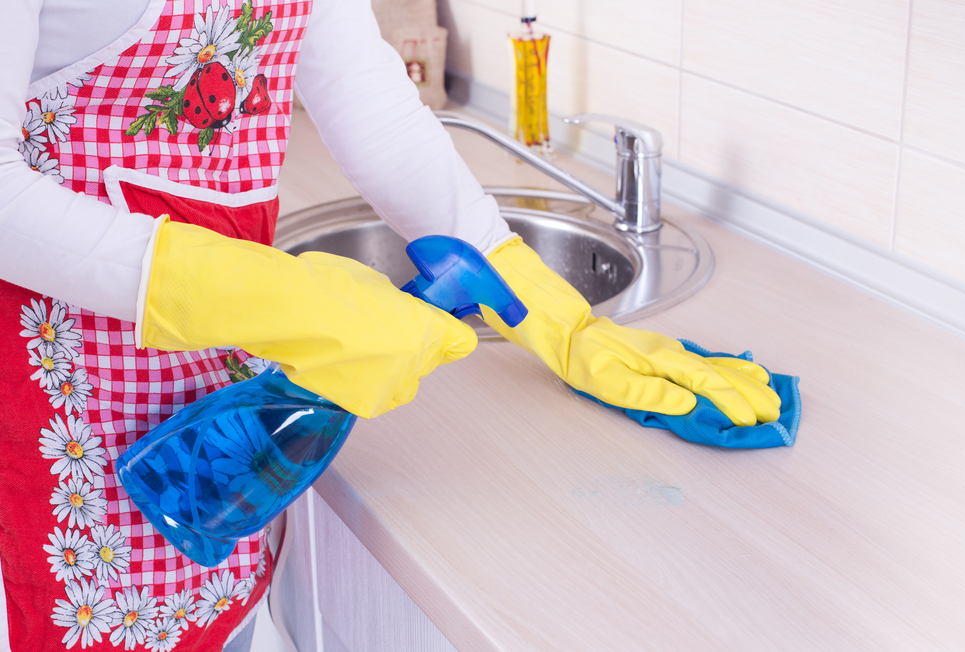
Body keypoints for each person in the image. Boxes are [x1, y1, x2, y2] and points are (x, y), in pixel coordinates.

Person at [0, 0, 780, 650]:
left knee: (217, 604)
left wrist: (538, 304)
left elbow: (364, 96)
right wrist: (283, 300)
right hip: (60, 381)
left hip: (216, 371)